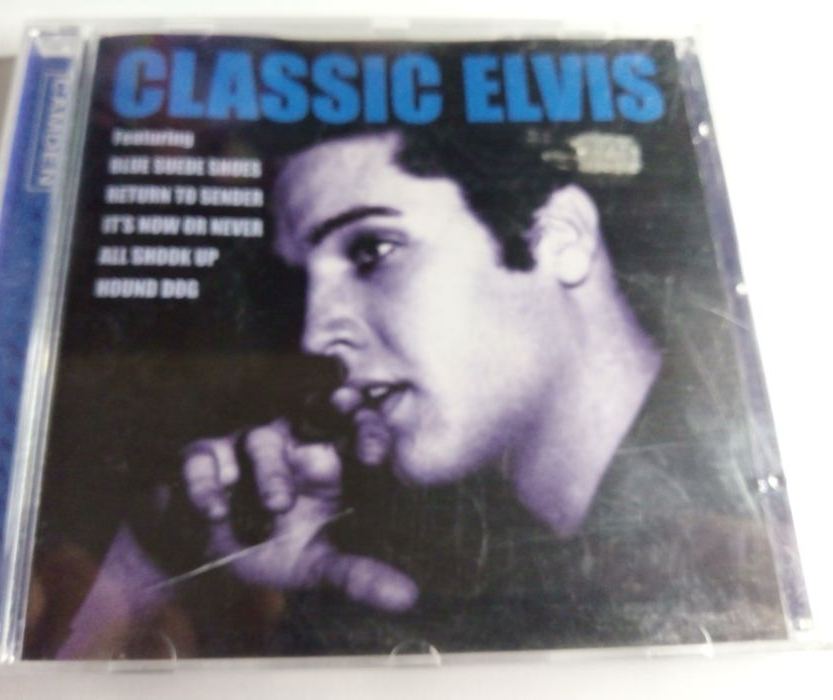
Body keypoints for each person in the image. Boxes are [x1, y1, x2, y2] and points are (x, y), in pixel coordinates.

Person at [48, 126, 785, 659]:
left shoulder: (769, 539)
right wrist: (158, 555)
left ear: (558, 238)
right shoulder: (460, 568)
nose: (316, 337)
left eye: (372, 250)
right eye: (304, 283)